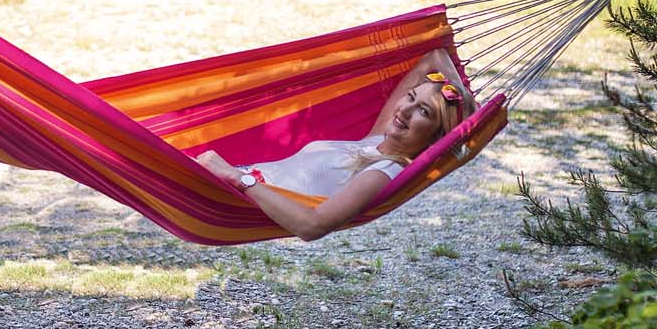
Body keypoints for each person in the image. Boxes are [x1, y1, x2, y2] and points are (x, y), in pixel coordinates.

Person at [194, 49, 475, 241]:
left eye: (423, 111)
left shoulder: (384, 170)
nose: (404, 110)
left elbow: (312, 226)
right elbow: (433, 58)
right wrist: (464, 103)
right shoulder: (378, 142)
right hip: (223, 176)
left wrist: (237, 177)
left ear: (437, 136)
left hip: (236, 193)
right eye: (411, 97)